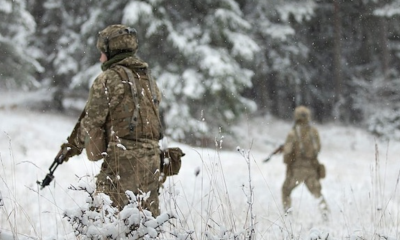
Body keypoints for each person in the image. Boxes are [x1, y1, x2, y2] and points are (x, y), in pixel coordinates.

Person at [58, 24, 163, 216]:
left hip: (122, 161)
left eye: (102, 52)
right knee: (146, 225)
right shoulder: (148, 79)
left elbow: (92, 122)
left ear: (111, 51)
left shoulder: (108, 79)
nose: (100, 58)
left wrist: (72, 147)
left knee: (104, 222)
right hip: (153, 162)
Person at [281, 105, 328, 219]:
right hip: (312, 168)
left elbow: (287, 152)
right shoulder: (313, 132)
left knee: (286, 190)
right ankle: (325, 214)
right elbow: (318, 148)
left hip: (297, 169)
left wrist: (288, 161)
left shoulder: (293, 133)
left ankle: (288, 216)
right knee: (317, 193)